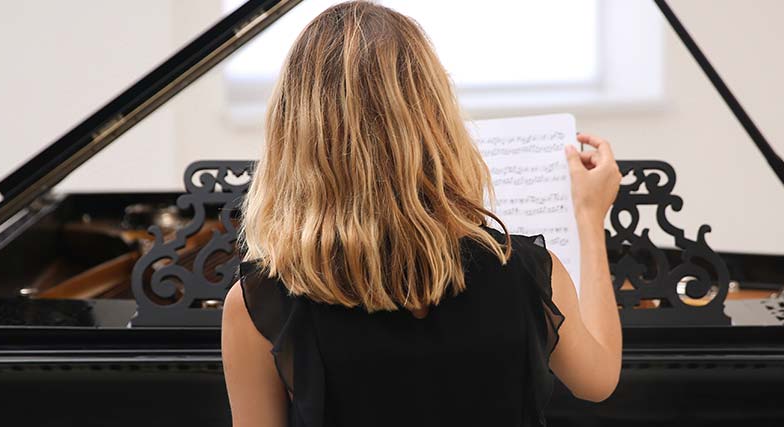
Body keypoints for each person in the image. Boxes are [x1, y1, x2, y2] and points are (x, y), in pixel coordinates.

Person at [221, 2, 622, 426]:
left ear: (294, 134)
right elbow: (598, 381)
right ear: (437, 120)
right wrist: (590, 220)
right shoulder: (528, 272)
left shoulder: (258, 305)